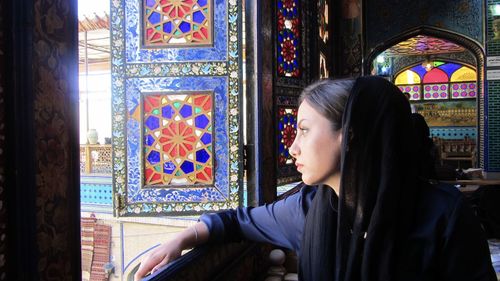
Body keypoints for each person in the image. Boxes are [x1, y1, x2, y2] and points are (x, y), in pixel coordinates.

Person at [135, 77, 497, 281]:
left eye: (305, 131)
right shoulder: (309, 210)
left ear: (351, 135)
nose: (292, 148)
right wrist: (181, 238)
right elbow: (238, 221)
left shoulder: (442, 217)